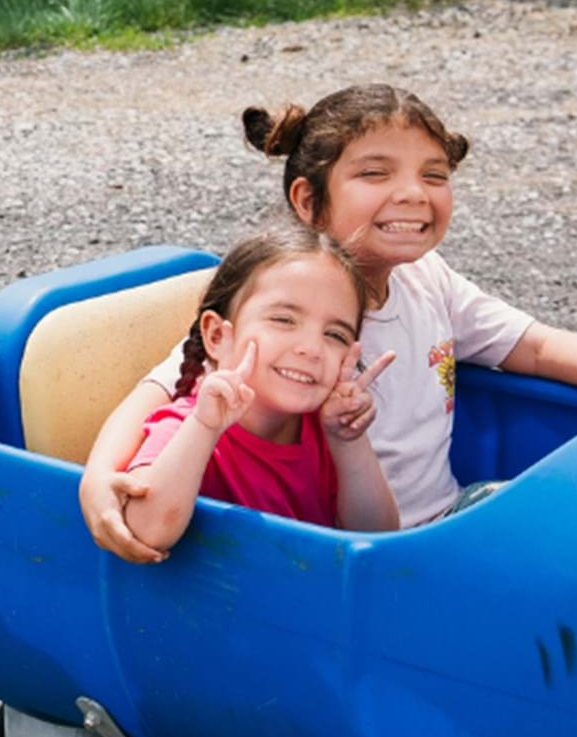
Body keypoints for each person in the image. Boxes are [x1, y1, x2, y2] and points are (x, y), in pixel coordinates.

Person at [82, 84, 577, 559]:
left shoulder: (428, 279)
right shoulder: (273, 314)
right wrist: (97, 477)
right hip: (366, 554)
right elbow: (164, 389)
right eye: (376, 174)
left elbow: (535, 348)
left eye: (433, 176)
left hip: (443, 521)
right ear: (308, 201)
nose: (413, 194)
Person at [121, 220, 399, 552]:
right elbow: (145, 532)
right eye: (284, 320)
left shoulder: (325, 427)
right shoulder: (184, 425)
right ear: (217, 336)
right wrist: (204, 428)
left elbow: (379, 537)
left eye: (335, 335)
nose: (310, 348)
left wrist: (349, 442)